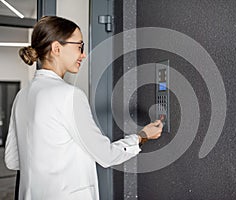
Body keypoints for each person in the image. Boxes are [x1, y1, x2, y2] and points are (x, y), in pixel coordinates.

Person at [4, 16, 163, 200]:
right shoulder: (69, 95)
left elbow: (12, 160)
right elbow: (106, 155)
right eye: (79, 46)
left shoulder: (22, 96)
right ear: (56, 48)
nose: (83, 54)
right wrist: (142, 136)